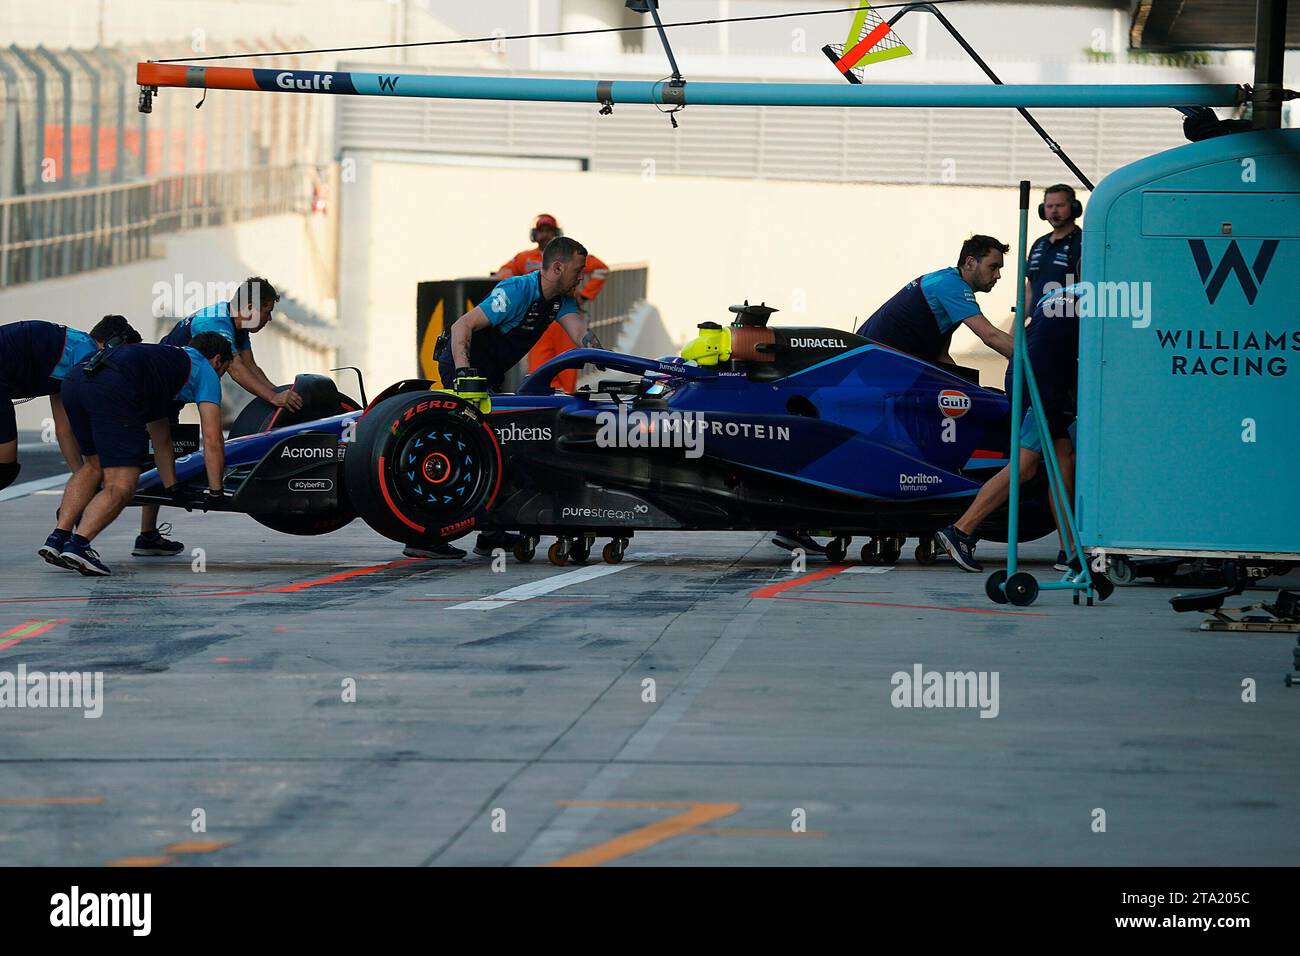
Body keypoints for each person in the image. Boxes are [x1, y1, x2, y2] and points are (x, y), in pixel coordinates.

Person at [425, 235, 602, 559]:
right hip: (463, 367)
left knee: (503, 444)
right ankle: (424, 534)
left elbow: (582, 336)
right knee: (468, 448)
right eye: (579, 270)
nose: (582, 277)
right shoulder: (517, 291)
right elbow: (462, 325)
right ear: (558, 267)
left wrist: (612, 362)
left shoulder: (560, 301)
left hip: (488, 374)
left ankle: (490, 534)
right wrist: (465, 375)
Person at [39, 334, 233, 577]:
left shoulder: (165, 363)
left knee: (92, 466)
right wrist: (216, 492)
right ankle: (79, 544)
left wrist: (172, 486)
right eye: (224, 370)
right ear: (217, 360)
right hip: (113, 384)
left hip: (76, 380)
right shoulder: (205, 370)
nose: (221, 377)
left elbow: (161, 436)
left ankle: (57, 539)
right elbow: (214, 439)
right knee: (122, 482)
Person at [137, 277, 301, 557]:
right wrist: (273, 398)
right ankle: (83, 525)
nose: (270, 318)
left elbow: (251, 365)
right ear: (249, 307)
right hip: (155, 393)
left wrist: (277, 396)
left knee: (164, 460)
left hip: (171, 396)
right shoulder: (212, 322)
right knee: (147, 463)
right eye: (267, 310)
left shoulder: (238, 326)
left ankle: (147, 535)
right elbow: (236, 369)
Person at [935, 284, 1084, 573]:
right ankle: (961, 530)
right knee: (1025, 466)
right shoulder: (1101, 298)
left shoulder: (1063, 293)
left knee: (1062, 457)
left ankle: (1069, 551)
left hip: (1031, 374)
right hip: (1040, 382)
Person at [0, 316, 143, 489]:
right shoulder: (86, 352)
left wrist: (84, 482)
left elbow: (64, 430)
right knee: (4, 468)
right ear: (112, 344)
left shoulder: (67, 357)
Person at [496, 214, 611, 394]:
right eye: (542, 231)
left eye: (549, 231)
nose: (545, 235)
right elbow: (503, 272)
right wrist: (517, 295)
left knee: (567, 375)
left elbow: (602, 268)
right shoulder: (524, 257)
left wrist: (585, 295)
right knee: (539, 374)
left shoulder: (570, 256)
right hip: (538, 322)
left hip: (565, 320)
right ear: (535, 234)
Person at [857, 235, 1015, 365]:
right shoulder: (951, 285)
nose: (998, 275)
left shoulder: (949, 282)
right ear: (970, 263)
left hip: (876, 361)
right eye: (993, 267)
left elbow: (941, 357)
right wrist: (1031, 358)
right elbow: (990, 336)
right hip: (867, 365)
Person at [1025, 185, 1083, 312]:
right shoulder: (1039, 243)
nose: (1054, 211)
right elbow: (1030, 288)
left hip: (1067, 322)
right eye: (1049, 206)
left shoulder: (1084, 243)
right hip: (1038, 322)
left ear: (1074, 208)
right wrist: (1015, 329)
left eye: (1060, 205)